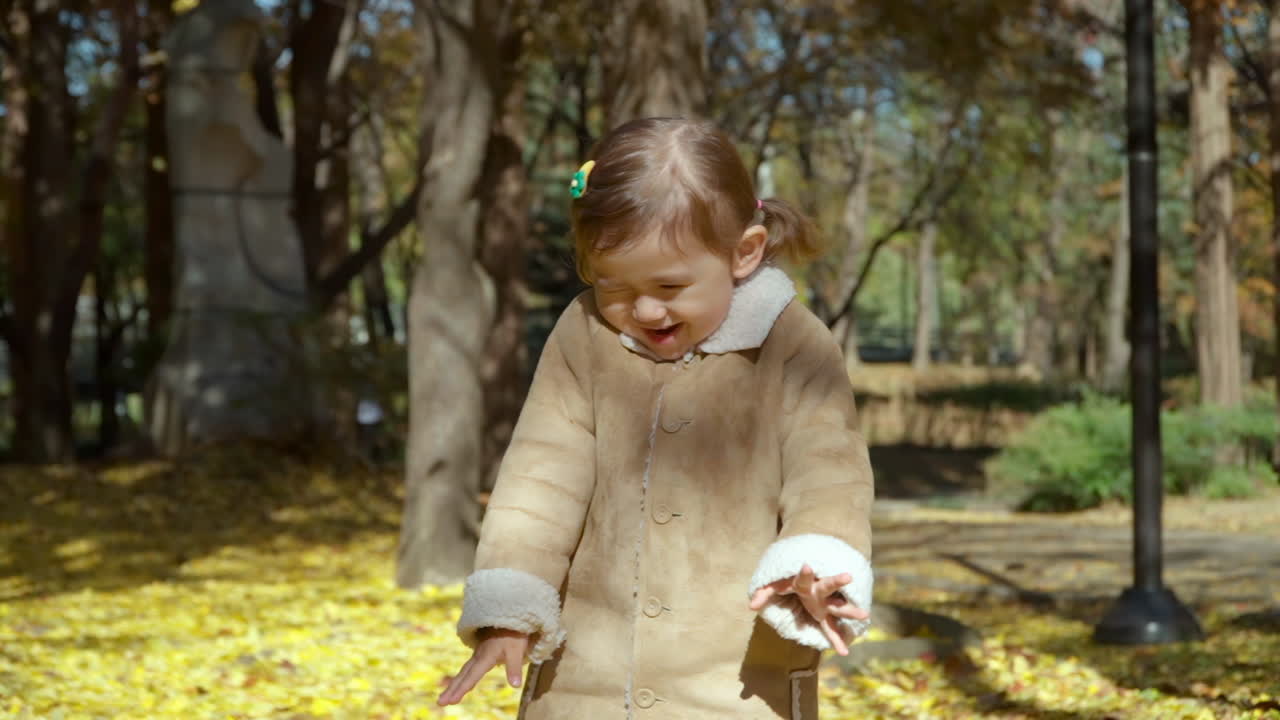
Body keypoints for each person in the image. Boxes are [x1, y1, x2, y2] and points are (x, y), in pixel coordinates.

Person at [436, 116, 875, 720]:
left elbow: (830, 472)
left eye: (669, 286)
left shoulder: (792, 344)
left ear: (743, 253)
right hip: (585, 680)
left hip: (731, 686)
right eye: (613, 286)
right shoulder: (584, 334)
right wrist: (510, 606)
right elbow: (540, 478)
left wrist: (818, 566)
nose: (644, 309)